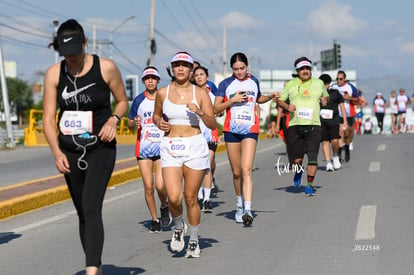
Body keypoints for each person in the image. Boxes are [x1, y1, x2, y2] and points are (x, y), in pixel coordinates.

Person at [43, 19, 128, 275]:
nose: (71, 58)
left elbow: (122, 101)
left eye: (75, 53)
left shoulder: (107, 68)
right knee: (82, 211)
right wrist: (56, 152)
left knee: (91, 206)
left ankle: (91, 269)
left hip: (100, 147)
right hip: (69, 150)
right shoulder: (54, 73)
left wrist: (114, 119)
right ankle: (97, 266)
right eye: (66, 54)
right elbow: (48, 119)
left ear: (86, 44)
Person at [153, 51, 217, 258]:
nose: (180, 68)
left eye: (185, 65)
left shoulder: (200, 93)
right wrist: (158, 122)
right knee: (173, 197)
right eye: (177, 65)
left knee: (190, 198)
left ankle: (195, 240)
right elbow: (156, 115)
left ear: (191, 70)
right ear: (172, 68)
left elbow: (212, 123)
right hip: (171, 146)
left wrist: (199, 112)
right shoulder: (163, 92)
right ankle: (179, 227)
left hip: (194, 146)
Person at [214, 52, 279, 225]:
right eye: (235, 69)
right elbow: (216, 108)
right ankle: (239, 204)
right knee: (236, 172)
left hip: (250, 129)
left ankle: (248, 209)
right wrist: (232, 100)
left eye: (242, 68)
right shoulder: (226, 84)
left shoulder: (254, 81)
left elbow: (259, 99)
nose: (239, 72)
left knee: (246, 169)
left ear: (247, 66)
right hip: (231, 130)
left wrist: (271, 96)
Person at [127, 66, 171, 233]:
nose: (150, 80)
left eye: (153, 78)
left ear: (158, 80)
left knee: (160, 185)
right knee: (148, 186)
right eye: (147, 78)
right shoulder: (138, 100)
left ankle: (164, 205)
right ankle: (154, 219)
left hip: (161, 148)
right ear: (143, 81)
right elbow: (130, 123)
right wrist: (134, 122)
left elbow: (171, 119)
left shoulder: (164, 98)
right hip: (143, 149)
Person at [277, 56, 329, 196]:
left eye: (307, 68)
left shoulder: (319, 83)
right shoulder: (291, 84)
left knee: (312, 157)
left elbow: (325, 96)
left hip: (314, 126)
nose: (305, 71)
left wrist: (324, 100)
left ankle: (309, 185)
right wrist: (288, 106)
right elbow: (280, 100)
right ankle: (298, 171)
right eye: (302, 69)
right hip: (295, 126)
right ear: (297, 70)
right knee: (297, 160)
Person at [193, 65, 219, 213]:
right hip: (196, 133)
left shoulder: (213, 90)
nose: (199, 77)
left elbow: (219, 107)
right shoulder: (191, 92)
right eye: (196, 75)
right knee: (197, 166)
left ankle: (207, 199)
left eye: (202, 74)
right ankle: (198, 195)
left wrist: (219, 113)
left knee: (208, 164)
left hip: (211, 132)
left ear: (207, 77)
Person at [318, 74, 347, 171]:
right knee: (325, 142)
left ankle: (335, 157)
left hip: (334, 121)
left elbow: (342, 106)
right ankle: (328, 163)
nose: (325, 87)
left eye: (326, 84)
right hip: (322, 121)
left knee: (335, 141)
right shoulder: (317, 94)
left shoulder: (335, 93)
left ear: (329, 84)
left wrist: (345, 121)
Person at [331, 70, 359, 162]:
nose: (339, 80)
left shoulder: (350, 87)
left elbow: (357, 100)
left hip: (349, 113)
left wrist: (349, 98)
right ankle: (338, 153)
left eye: (341, 79)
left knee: (348, 134)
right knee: (340, 133)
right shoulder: (333, 87)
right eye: (337, 78)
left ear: (345, 79)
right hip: (337, 114)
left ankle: (347, 147)